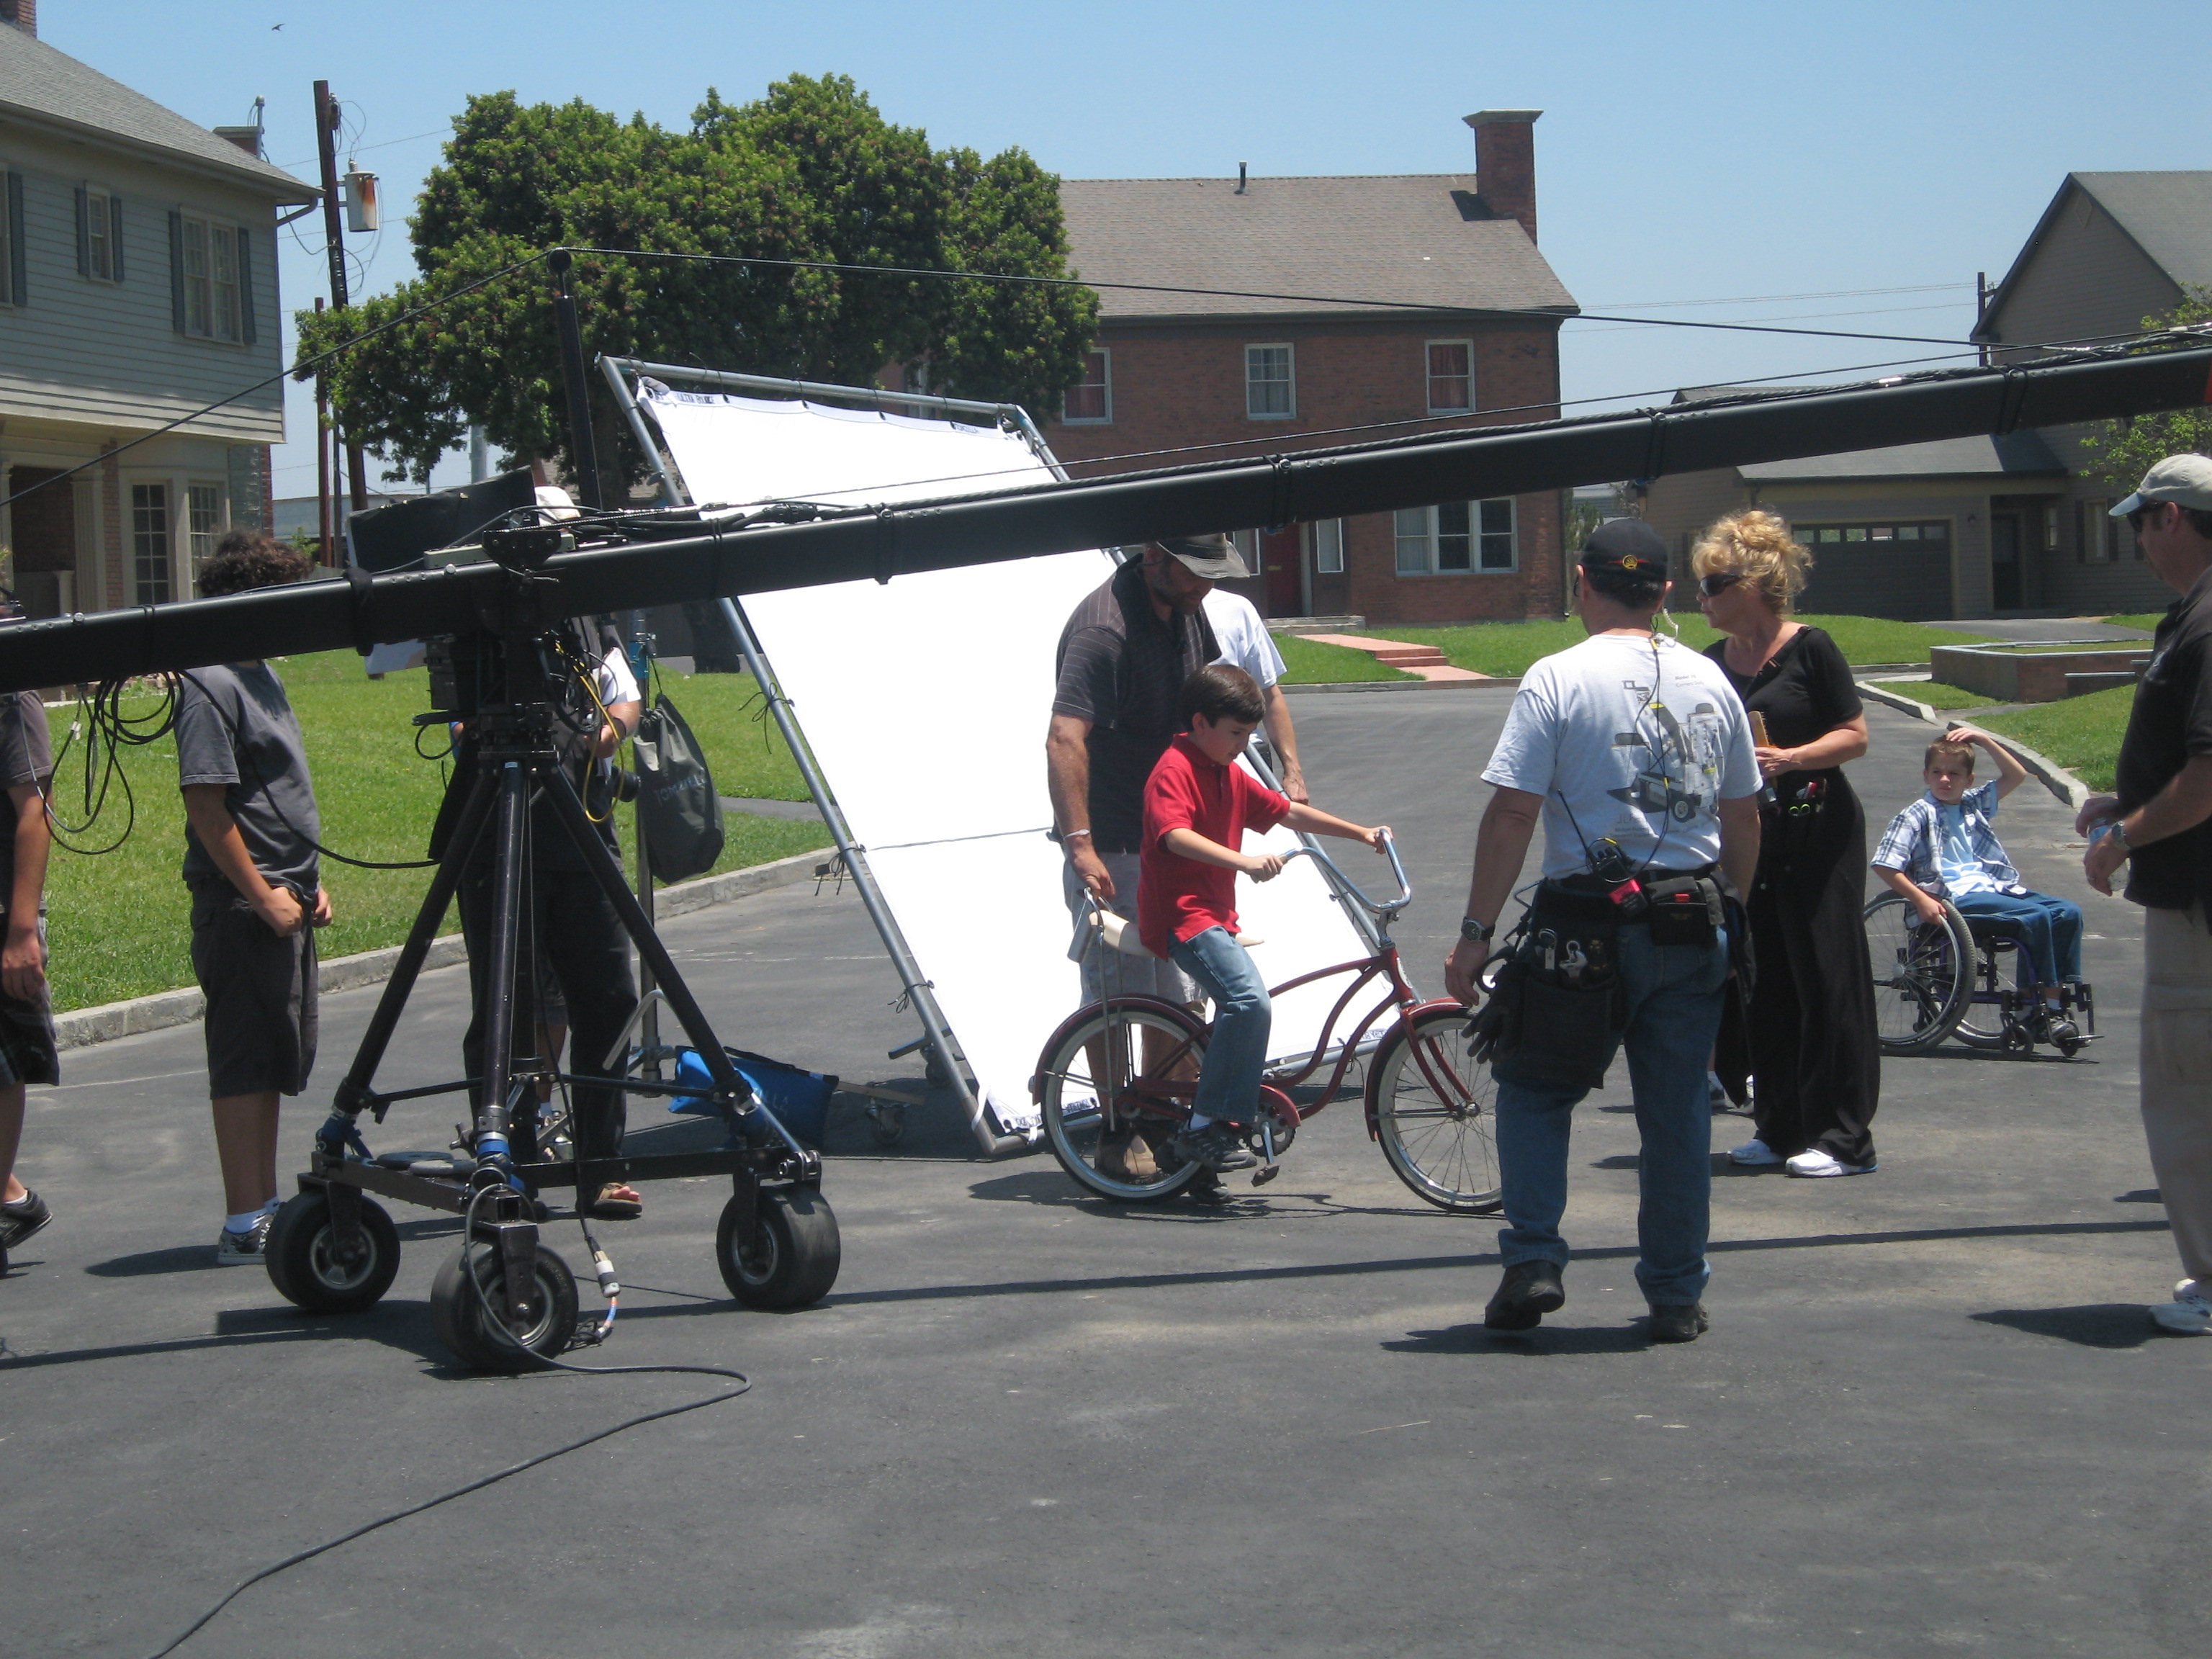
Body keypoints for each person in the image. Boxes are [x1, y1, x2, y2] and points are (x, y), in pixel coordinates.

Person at [1444, 518, 1761, 1344]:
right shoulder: (1711, 680)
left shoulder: (1557, 677)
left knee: (1537, 1087)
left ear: (1582, 583)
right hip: (1692, 917)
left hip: (1584, 923)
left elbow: (1515, 808)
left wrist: (1476, 932)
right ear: (1663, 593)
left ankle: (1535, 1259)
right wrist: (1734, 902)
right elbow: (1742, 812)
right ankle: (1675, 1291)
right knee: (1677, 1113)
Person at [1049, 535, 1250, 1184]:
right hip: (1114, 841)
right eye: (1196, 575)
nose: (1206, 589)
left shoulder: (1187, 609)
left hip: (1176, 839)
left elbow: (1209, 715)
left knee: (1181, 991)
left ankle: (1170, 1126)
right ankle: (1115, 1133)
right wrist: (1079, 844)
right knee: (1115, 994)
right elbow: (1064, 738)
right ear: (1155, 554)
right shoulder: (1102, 630)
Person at [1137, 664, 1386, 1170]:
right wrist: (1245, 861)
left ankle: (1216, 1126)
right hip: (1181, 916)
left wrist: (1359, 832)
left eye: (1249, 735)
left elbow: (1285, 811)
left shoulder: (1225, 769)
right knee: (1248, 1002)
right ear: (1200, 722)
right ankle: (1210, 1124)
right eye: (1235, 734)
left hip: (1214, 915)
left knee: (1246, 1006)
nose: (1242, 745)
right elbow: (1173, 835)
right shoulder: (1175, 768)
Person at [1695, 509, 1882, 1179]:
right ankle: (1778, 1126)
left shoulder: (1812, 648)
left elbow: (1855, 735)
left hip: (1819, 829)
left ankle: (1843, 1138)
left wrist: (1795, 757)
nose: (1703, 597)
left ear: (1752, 584)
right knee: (1762, 980)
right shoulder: (1712, 664)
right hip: (1751, 835)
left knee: (1827, 978)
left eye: (1715, 584)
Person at [2078, 454, 2212, 1337]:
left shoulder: (2207, 625)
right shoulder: (2191, 618)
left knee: (2186, 1086)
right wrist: (2122, 801)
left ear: (2172, 517)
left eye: (2140, 519)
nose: (2135, 536)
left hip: (2197, 901)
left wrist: (2123, 839)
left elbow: (2206, 779)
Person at [451, 614, 643, 1219]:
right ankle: (512, 1169)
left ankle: (602, 1169)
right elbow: (457, 715)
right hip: (496, 831)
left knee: (609, 1002)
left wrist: (599, 736)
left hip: (581, 832)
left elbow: (626, 697)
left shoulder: (589, 620)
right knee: (504, 1012)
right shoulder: (476, 617)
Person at [174, 534, 333, 1264]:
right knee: (243, 1055)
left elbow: (277, 790)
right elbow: (208, 807)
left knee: (274, 1054)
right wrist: (262, 894)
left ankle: (264, 1204)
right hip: (242, 902)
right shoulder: (210, 681)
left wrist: (306, 880)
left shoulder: (259, 672)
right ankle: (246, 1220)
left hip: (285, 890)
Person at [1871, 728, 2085, 1035]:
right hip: (1952, 898)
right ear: (1926, 776)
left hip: (1993, 888)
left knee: (2068, 912)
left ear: (1968, 780)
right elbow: (1885, 864)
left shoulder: (1973, 805)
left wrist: (1983, 740)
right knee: (2036, 917)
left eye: (1954, 774)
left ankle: (2053, 1004)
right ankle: (2040, 1010)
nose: (1945, 780)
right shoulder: (1917, 814)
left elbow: (2016, 775)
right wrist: (1921, 899)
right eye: (1938, 772)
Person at [0, 609, 58, 1259]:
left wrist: (21, 929)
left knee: (3, 1062)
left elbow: (35, 810)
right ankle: (12, 1199)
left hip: (1, 913)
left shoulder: (11, 692)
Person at [1202, 586, 1308, 802]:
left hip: (1245, 759)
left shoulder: (1235, 609)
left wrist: (1293, 773)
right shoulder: (1142, 611)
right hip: (1178, 760)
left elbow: (1270, 696)